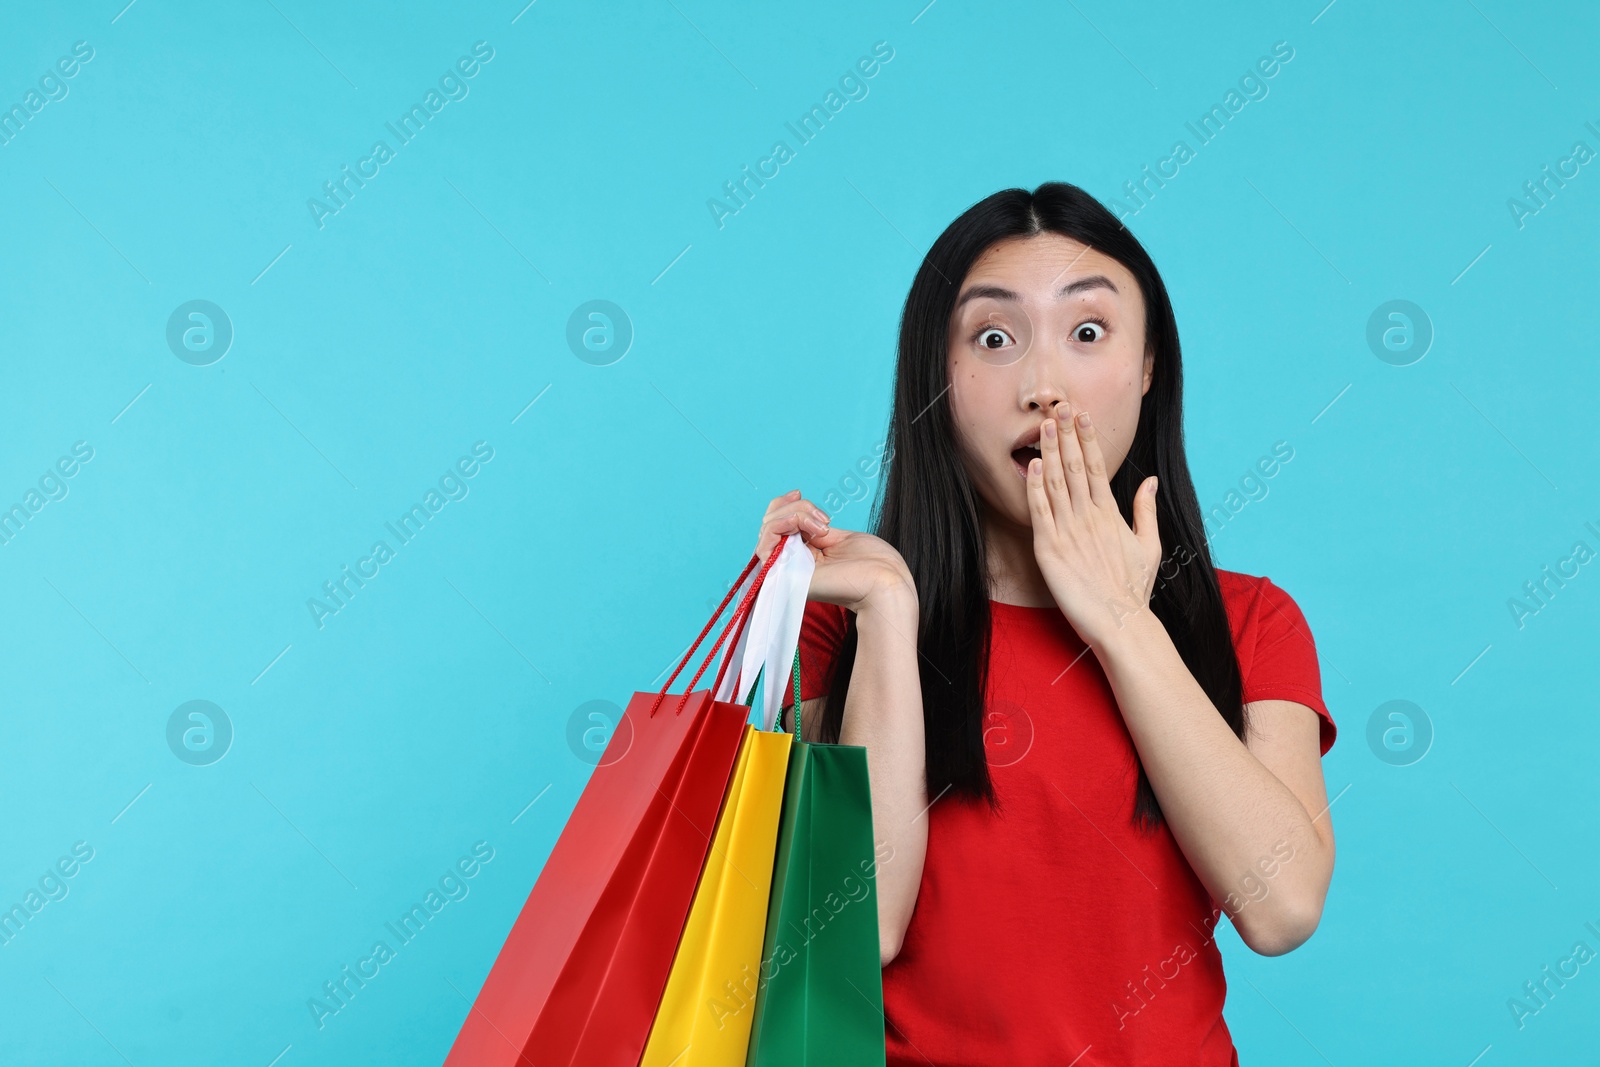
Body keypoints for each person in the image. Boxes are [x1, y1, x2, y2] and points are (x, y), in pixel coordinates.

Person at [750, 181, 1336, 1066]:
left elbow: (1283, 904)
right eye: (994, 338)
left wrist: (1119, 619)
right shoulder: (844, 625)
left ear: (1148, 369)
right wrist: (888, 611)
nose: (1044, 385)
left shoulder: (1252, 618)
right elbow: (852, 933)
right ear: (936, 381)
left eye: (1088, 332)